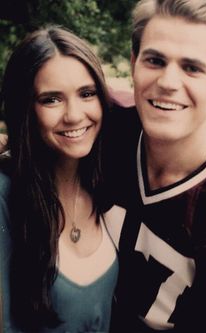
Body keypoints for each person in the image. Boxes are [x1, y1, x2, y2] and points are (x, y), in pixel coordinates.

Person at [103, 0, 206, 332]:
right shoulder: (102, 121)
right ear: (134, 63)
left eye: (192, 67)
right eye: (155, 60)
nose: (168, 81)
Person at [0, 25, 118, 332]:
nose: (74, 115)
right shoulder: (5, 195)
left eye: (87, 93)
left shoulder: (108, 180)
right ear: (26, 109)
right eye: (51, 99)